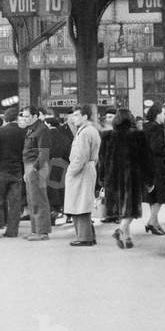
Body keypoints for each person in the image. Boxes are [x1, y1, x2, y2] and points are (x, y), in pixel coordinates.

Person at [98, 107, 154, 249]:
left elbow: (102, 159)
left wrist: (102, 178)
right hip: (132, 176)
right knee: (131, 208)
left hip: (113, 178)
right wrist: (149, 179)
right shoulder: (138, 135)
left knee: (123, 208)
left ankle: (127, 238)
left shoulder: (107, 136)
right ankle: (120, 230)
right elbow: (146, 159)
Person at [65, 104, 101, 246]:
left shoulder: (85, 132)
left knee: (79, 204)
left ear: (85, 116)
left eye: (76, 115)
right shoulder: (90, 130)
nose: (73, 118)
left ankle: (84, 237)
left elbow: (81, 156)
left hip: (81, 170)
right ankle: (88, 235)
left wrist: (71, 171)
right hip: (88, 168)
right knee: (82, 202)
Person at [0, 107, 25, 238]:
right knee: (14, 204)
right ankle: (12, 231)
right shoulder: (23, 132)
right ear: (17, 118)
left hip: (0, 171)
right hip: (17, 172)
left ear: (5, 118)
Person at [19, 105, 52, 241]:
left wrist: (34, 168)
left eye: (27, 116)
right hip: (29, 166)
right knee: (32, 199)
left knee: (38, 198)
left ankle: (42, 231)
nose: (25, 119)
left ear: (35, 116)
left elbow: (44, 153)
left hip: (37, 166)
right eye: (24, 116)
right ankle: (35, 230)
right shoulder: (31, 129)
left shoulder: (42, 129)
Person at [143, 104, 165, 235]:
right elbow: (157, 147)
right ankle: (151, 222)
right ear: (157, 114)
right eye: (163, 113)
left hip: (149, 165)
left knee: (154, 197)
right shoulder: (156, 129)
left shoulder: (147, 127)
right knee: (159, 196)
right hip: (157, 166)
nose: (164, 116)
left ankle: (155, 223)